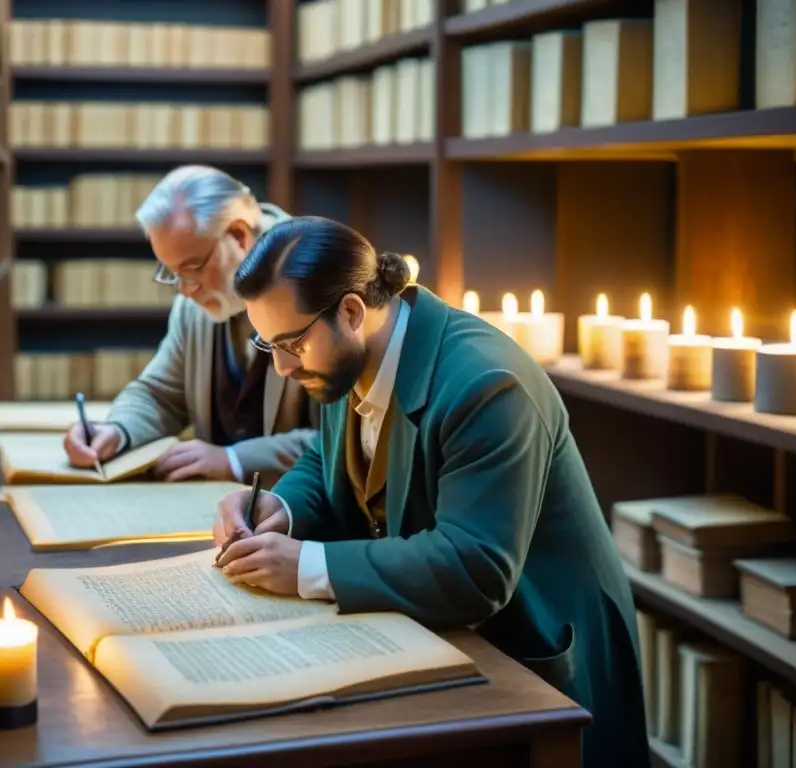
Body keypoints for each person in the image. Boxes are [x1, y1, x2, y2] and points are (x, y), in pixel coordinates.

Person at [212, 216, 649, 768]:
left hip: (531, 655)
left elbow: (475, 568)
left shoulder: (488, 384)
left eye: (290, 342)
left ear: (350, 311)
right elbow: (329, 458)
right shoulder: (342, 357)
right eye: (265, 343)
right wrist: (281, 508)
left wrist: (304, 566)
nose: (281, 365)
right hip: (441, 640)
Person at [63, 166, 317, 486]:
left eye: (192, 269)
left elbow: (343, 442)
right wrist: (117, 432)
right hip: (219, 509)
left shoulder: (315, 285)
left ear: (238, 236)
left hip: (300, 521)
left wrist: (235, 460)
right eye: (172, 273)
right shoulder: (199, 302)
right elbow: (160, 394)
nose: (184, 289)